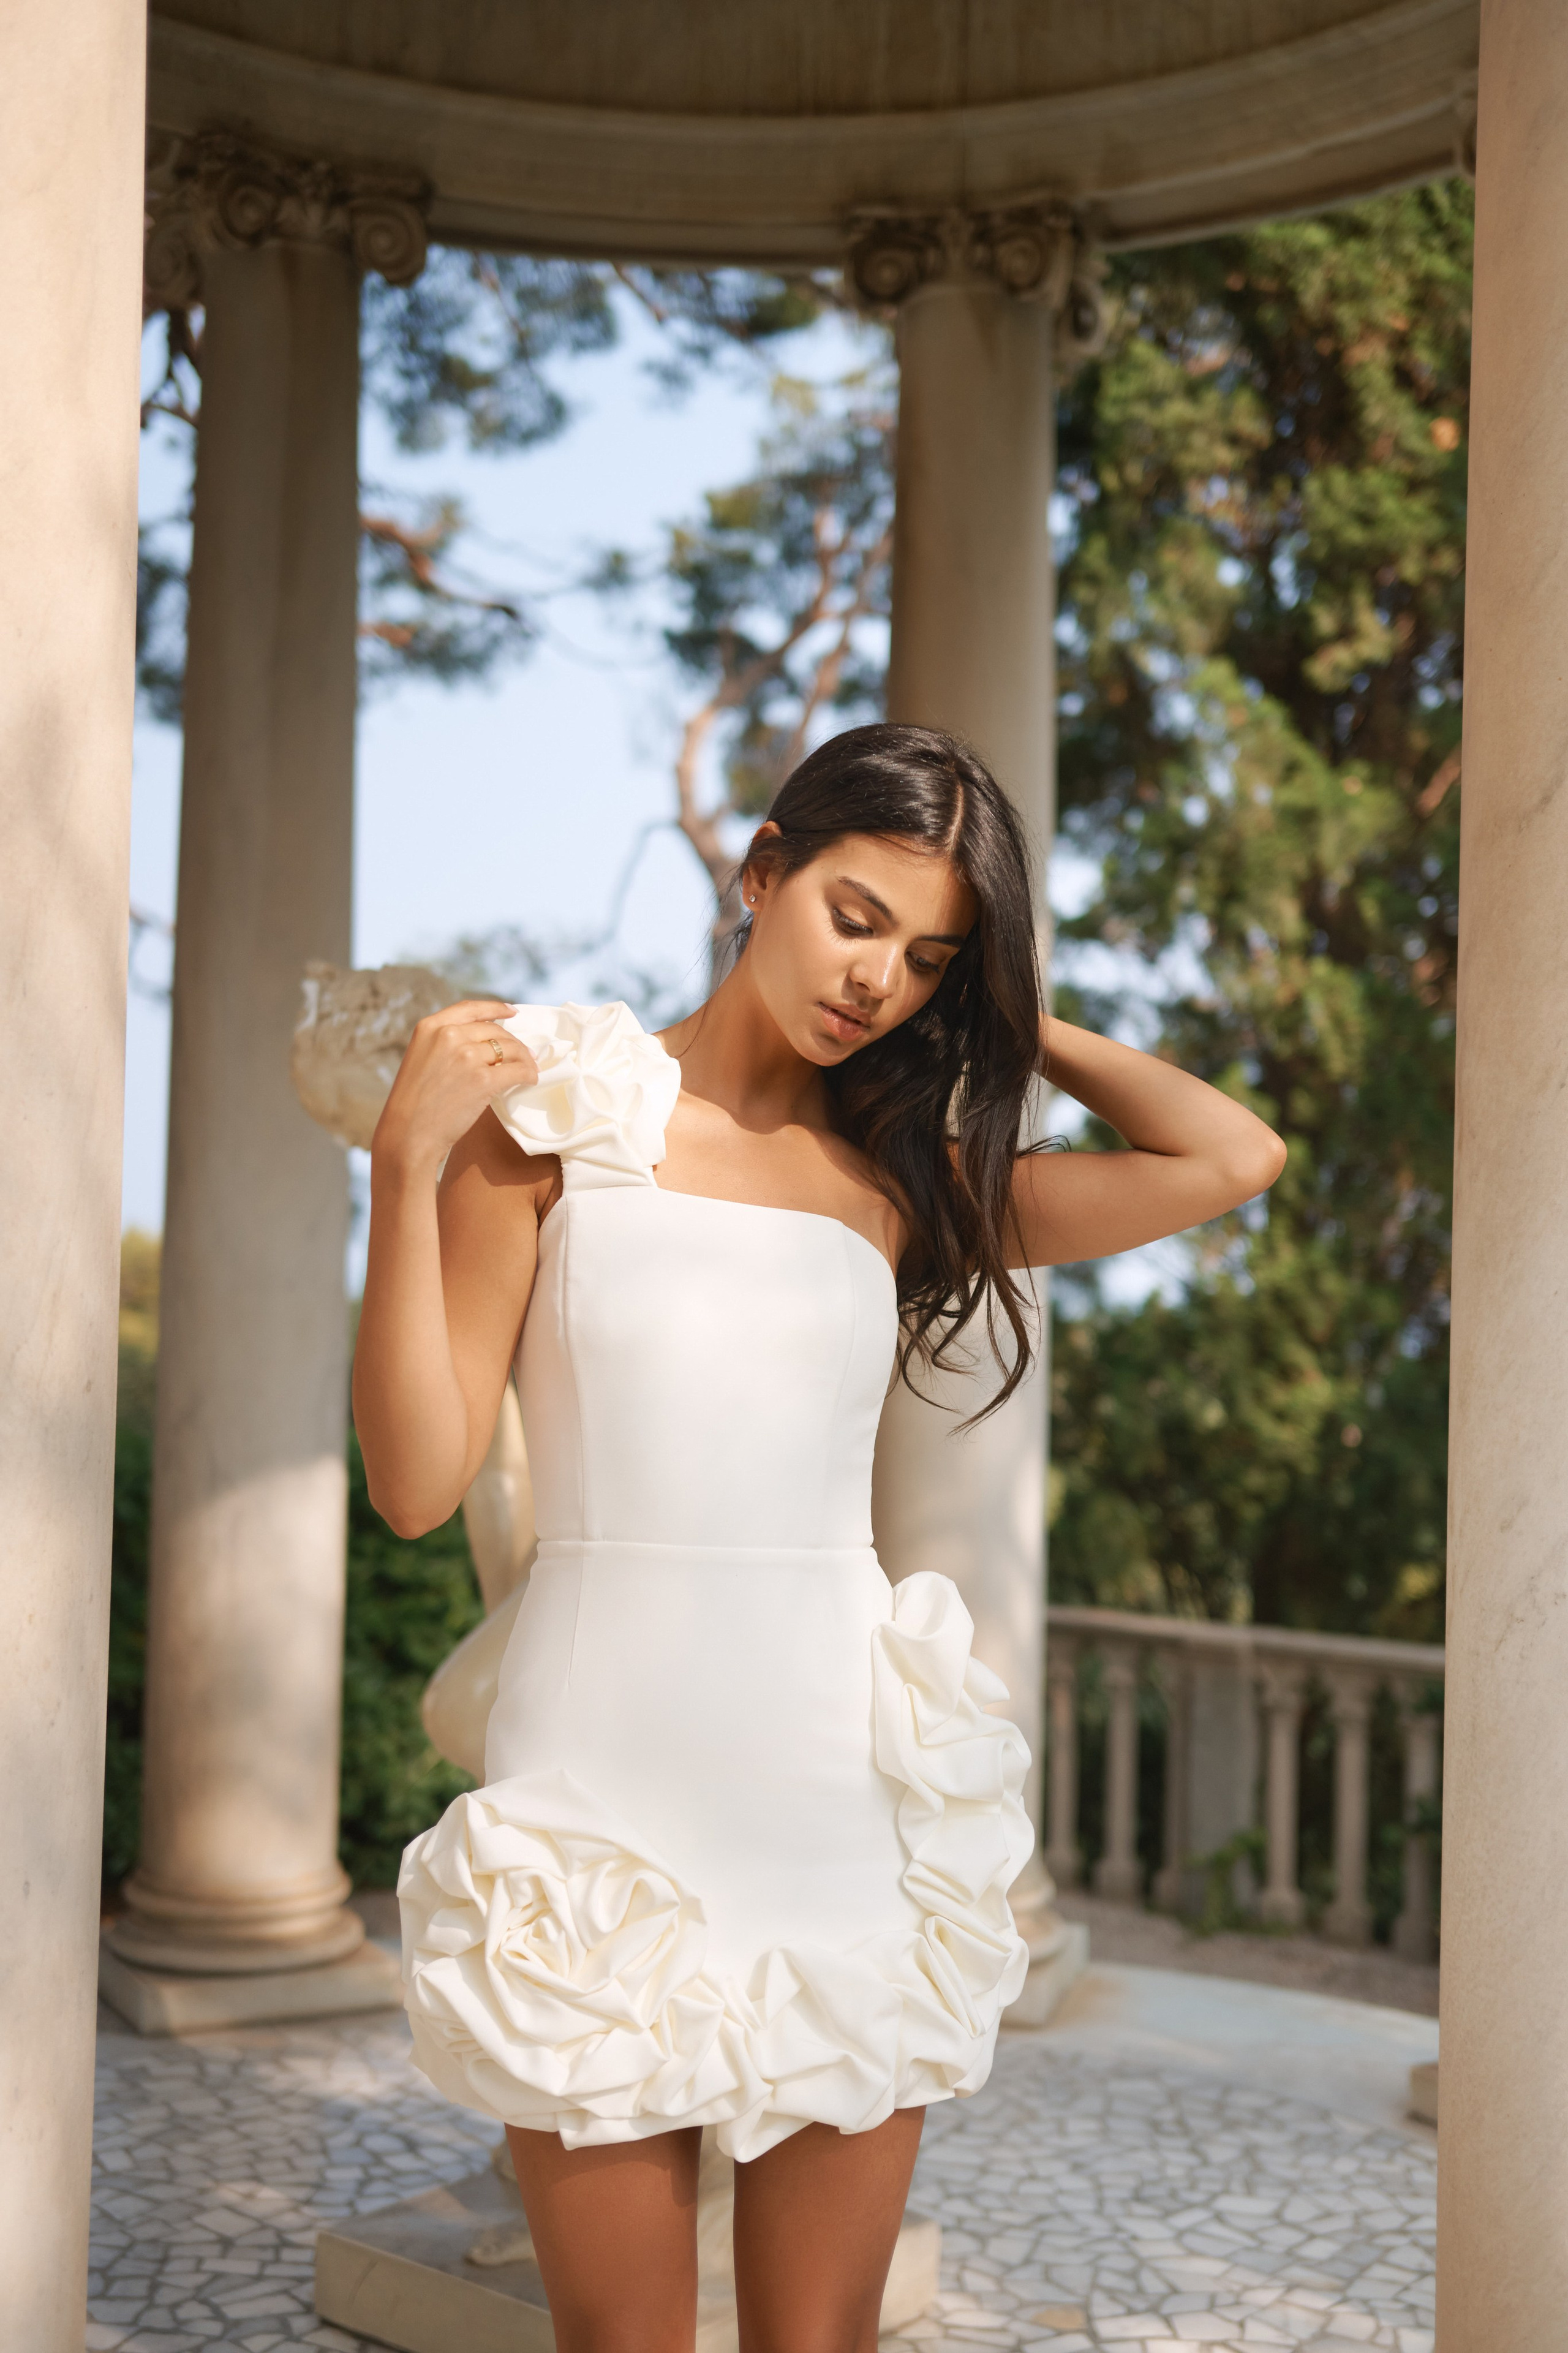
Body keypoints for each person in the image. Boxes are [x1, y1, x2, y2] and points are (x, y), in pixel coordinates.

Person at [353, 722, 1286, 2353]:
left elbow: (1229, 1155)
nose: (879, 980)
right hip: (598, 1820)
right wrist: (403, 1163)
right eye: (855, 915)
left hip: (834, 1807)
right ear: (761, 863)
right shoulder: (557, 1126)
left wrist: (1013, 1013)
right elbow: (420, 1482)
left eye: (929, 956)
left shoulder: (898, 1174)